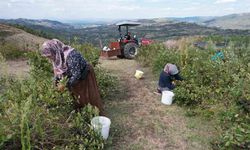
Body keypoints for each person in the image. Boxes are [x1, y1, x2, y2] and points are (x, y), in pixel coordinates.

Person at [41, 39, 104, 115]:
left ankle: (94, 114)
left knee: (88, 96)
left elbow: (76, 75)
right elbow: (57, 73)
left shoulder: (71, 55)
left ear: (55, 50)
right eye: (48, 57)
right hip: (73, 78)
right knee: (78, 97)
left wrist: (64, 85)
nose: (50, 58)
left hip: (85, 74)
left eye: (50, 56)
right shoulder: (57, 57)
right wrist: (55, 84)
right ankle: (82, 114)